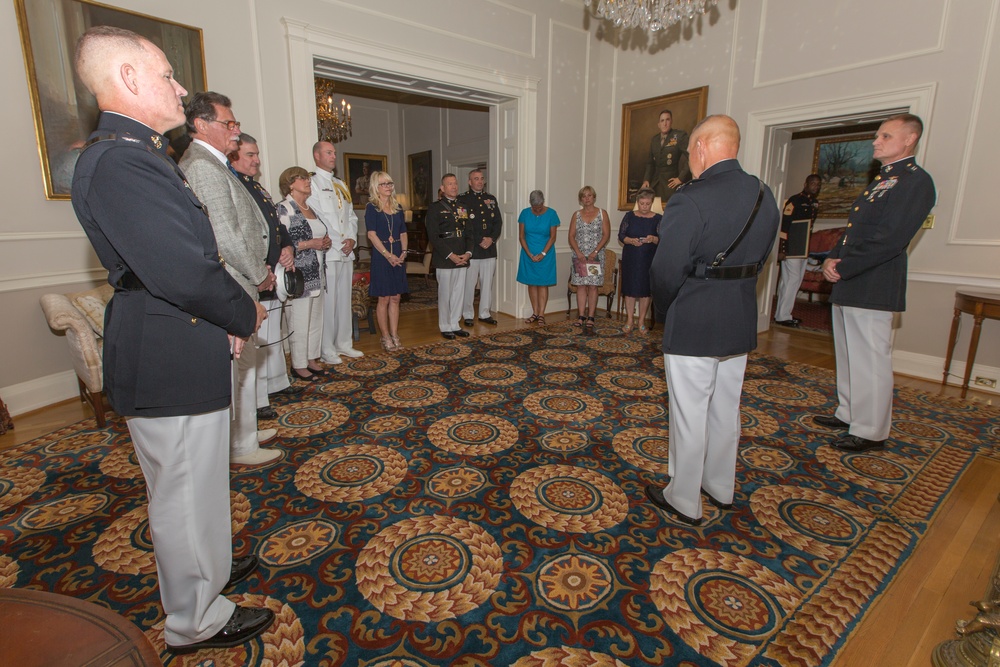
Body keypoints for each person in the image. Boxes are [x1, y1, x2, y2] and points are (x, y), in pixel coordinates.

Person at [71, 26, 273, 652]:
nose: (180, 88)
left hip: (178, 338)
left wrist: (221, 320)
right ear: (128, 79)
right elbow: (184, 268)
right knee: (183, 490)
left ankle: (207, 569)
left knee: (199, 482)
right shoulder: (121, 161)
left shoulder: (138, 155)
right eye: (167, 74)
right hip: (165, 347)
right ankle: (194, 618)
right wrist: (243, 314)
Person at [645, 115, 780, 526]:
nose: (689, 160)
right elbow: (762, 253)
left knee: (689, 412)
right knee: (726, 409)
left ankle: (684, 498)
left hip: (695, 318)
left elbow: (667, 269)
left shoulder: (690, 198)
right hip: (739, 316)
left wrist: (664, 311)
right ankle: (720, 485)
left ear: (702, 147)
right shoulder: (763, 193)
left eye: (689, 152)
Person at [815, 114, 936, 453]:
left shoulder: (915, 182)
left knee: (870, 358)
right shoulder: (882, 179)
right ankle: (849, 412)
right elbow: (854, 229)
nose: (876, 141)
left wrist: (845, 266)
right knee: (850, 354)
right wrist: (831, 257)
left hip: (874, 283)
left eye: (885, 135)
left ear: (909, 140)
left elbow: (891, 239)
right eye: (877, 135)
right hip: (851, 280)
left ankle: (870, 430)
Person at [179, 92, 280, 466]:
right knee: (237, 370)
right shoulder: (203, 166)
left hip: (244, 278)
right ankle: (240, 445)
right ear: (202, 126)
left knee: (245, 368)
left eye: (236, 124)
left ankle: (246, 431)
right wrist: (259, 272)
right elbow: (225, 232)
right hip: (235, 280)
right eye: (229, 124)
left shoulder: (216, 163)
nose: (236, 132)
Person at [228, 133, 298, 418]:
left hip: (272, 273)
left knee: (271, 335)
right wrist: (260, 271)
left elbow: (277, 228)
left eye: (257, 154)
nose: (257, 160)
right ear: (234, 156)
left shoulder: (257, 188)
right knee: (253, 343)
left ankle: (276, 383)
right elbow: (235, 235)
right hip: (253, 275)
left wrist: (288, 247)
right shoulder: (234, 186)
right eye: (249, 155)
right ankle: (256, 402)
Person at [309, 141, 364, 364]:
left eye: (334, 153)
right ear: (317, 155)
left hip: (345, 250)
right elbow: (319, 216)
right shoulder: (312, 182)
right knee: (329, 302)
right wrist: (339, 241)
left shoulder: (340, 184)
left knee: (343, 300)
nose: (333, 156)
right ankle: (327, 348)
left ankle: (344, 343)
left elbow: (350, 216)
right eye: (328, 152)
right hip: (329, 252)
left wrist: (351, 237)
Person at [277, 167, 331, 381]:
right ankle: (298, 364)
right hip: (298, 274)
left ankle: (311, 358)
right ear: (290, 184)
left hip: (317, 271)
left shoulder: (311, 207)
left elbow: (319, 236)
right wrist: (311, 243)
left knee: (315, 319)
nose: (307, 181)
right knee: (299, 320)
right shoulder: (284, 208)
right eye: (301, 178)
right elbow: (282, 243)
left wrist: (325, 243)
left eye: (307, 177)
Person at [425, 173, 473, 339]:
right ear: (442, 188)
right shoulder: (435, 208)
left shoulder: (463, 206)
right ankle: (445, 325)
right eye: (449, 184)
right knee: (445, 293)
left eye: (455, 183)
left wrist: (468, 253)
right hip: (445, 257)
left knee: (459, 292)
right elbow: (433, 235)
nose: (453, 186)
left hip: (462, 255)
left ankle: (455, 323)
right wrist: (450, 255)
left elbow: (469, 232)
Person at [365, 171, 409, 351]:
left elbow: (403, 232)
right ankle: (385, 336)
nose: (388, 186)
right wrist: (387, 254)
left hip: (398, 254)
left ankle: (395, 333)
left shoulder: (398, 207)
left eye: (390, 183)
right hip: (382, 256)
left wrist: (404, 251)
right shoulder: (371, 207)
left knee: (396, 298)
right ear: (376, 186)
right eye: (384, 184)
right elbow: (371, 234)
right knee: (383, 298)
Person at [774, 174, 821, 327]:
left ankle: (782, 314)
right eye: (813, 183)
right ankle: (783, 316)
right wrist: (782, 249)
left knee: (794, 281)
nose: (816, 186)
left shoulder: (814, 202)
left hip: (803, 248)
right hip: (791, 248)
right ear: (805, 183)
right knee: (791, 281)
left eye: (818, 184)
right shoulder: (795, 201)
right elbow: (785, 225)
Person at [459, 169, 503, 326]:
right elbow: (464, 223)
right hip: (472, 249)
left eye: (481, 178)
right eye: (475, 179)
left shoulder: (490, 199)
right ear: (470, 182)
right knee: (469, 284)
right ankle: (468, 314)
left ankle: (485, 313)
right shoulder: (462, 199)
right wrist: (479, 240)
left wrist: (491, 238)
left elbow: (498, 222)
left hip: (489, 249)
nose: (479, 181)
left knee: (487, 284)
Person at [568, 185, 611, 333]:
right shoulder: (576, 215)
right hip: (579, 257)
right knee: (581, 285)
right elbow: (571, 236)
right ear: (581, 199)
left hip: (595, 257)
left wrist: (595, 251)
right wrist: (578, 252)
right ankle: (581, 316)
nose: (586, 198)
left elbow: (606, 235)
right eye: (584, 196)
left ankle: (591, 317)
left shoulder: (602, 214)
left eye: (589, 195)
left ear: (594, 197)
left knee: (592, 286)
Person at [618, 187, 661, 334]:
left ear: (651, 203)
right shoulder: (629, 216)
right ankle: (629, 320)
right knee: (629, 289)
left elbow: (663, 239)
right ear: (638, 202)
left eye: (647, 204)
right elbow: (621, 235)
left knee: (645, 290)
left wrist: (653, 238)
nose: (644, 206)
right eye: (642, 203)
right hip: (631, 257)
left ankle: (642, 321)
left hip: (648, 259)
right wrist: (630, 240)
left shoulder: (658, 219)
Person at [517, 190, 560, 324]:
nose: (537, 210)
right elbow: (521, 236)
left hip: (546, 254)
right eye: (535, 208)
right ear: (530, 204)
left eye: (539, 207)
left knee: (542, 283)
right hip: (528, 254)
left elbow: (553, 237)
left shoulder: (552, 214)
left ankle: (541, 314)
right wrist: (529, 253)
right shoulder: (524, 213)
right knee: (532, 283)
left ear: (543, 202)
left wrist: (543, 253)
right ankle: (535, 312)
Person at [640, 109, 691, 203]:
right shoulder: (654, 140)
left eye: (667, 120)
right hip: (655, 184)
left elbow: (691, 157)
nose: (665, 123)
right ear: (658, 124)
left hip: (670, 184)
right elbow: (650, 163)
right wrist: (646, 179)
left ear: (671, 122)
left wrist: (681, 178)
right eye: (662, 121)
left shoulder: (679, 136)